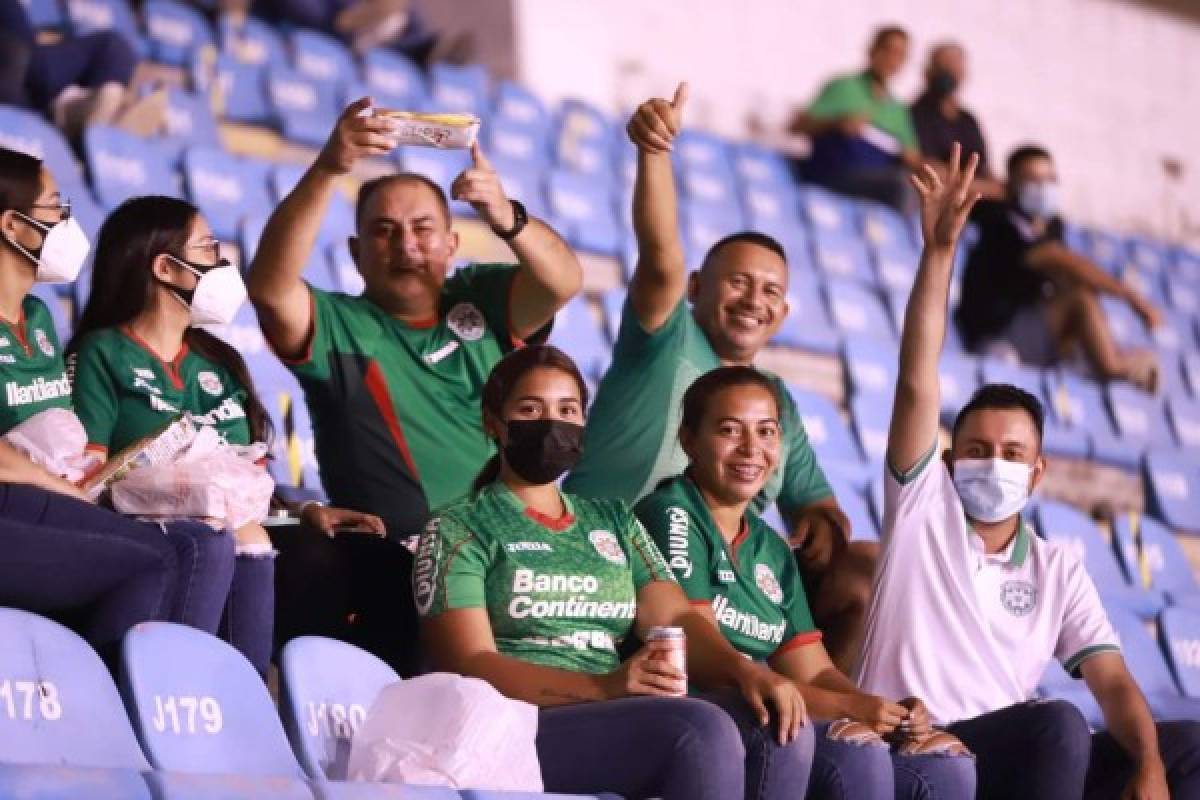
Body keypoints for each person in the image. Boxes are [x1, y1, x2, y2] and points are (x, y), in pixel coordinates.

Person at [857, 142, 1200, 799]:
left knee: (1183, 747)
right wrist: (938, 253)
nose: (993, 462)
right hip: (918, 745)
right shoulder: (920, 510)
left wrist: (1150, 766)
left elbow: (1112, 681)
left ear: (1037, 473)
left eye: (1012, 454)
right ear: (948, 462)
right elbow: (916, 383)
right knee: (1059, 725)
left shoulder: (1057, 566)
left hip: (1014, 760)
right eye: (977, 449)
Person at [247, 99, 582, 675]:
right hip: (395, 561)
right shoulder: (338, 326)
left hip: (505, 553)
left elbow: (563, 280)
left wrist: (506, 215)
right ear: (356, 254)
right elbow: (271, 288)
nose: (406, 247)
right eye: (384, 232)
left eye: (423, 230)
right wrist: (329, 168)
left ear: (452, 244)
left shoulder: (483, 298)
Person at [415, 344, 813, 800]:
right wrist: (600, 687)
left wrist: (746, 672)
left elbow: (678, 619)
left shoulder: (614, 521)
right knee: (698, 731)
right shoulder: (457, 527)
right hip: (514, 724)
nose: (552, 423)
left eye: (568, 410)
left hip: (613, 712)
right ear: (493, 422)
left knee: (780, 723)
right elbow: (468, 664)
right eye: (530, 409)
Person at [565, 84, 871, 674]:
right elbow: (660, 256)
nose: (754, 300)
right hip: (612, 564)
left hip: (722, 592)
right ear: (697, 289)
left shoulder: (776, 403)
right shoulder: (665, 333)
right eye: (738, 283)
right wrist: (655, 153)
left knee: (865, 568)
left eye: (771, 292)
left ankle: (828, 708)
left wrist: (821, 529)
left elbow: (819, 507)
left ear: (784, 314)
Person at [636, 366, 975, 800]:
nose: (751, 449)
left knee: (942, 763)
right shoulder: (673, 513)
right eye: (729, 430)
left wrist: (884, 712)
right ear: (689, 440)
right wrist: (850, 709)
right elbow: (700, 655)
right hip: (702, 718)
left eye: (766, 432)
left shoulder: (770, 548)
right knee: (857, 753)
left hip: (768, 714)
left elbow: (814, 670)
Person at [0, 146, 216, 662]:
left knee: (199, 545)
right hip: (14, 497)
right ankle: (108, 698)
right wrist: (60, 487)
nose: (67, 223)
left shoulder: (39, 317)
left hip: (45, 496)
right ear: (13, 225)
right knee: (152, 559)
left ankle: (188, 696)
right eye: (55, 207)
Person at [65, 195, 285, 675]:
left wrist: (306, 510)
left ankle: (243, 700)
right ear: (165, 268)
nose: (223, 263)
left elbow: (249, 476)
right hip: (137, 526)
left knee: (256, 537)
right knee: (217, 538)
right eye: (208, 249)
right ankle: (171, 691)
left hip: (232, 529)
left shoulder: (221, 362)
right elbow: (86, 479)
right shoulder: (101, 352)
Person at [953, 144, 1162, 390]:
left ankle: (1093, 365)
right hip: (995, 333)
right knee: (1080, 299)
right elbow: (1058, 260)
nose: (1044, 188)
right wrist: (1130, 297)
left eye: (1050, 179)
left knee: (1078, 297)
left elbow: (1062, 276)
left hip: (1030, 327)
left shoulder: (1052, 225)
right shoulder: (1001, 221)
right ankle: (1115, 368)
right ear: (1012, 185)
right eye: (1034, 180)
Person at [790, 26, 922, 212]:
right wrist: (837, 123)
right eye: (888, 50)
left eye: (900, 55)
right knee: (901, 186)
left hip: (878, 178)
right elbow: (798, 126)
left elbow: (913, 156)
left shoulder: (898, 110)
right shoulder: (844, 86)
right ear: (872, 50)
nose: (892, 59)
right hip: (835, 173)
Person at [909, 42, 1003, 199]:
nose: (949, 73)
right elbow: (927, 169)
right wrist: (979, 187)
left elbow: (985, 169)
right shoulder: (915, 114)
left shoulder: (968, 120)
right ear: (928, 71)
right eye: (943, 67)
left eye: (955, 67)